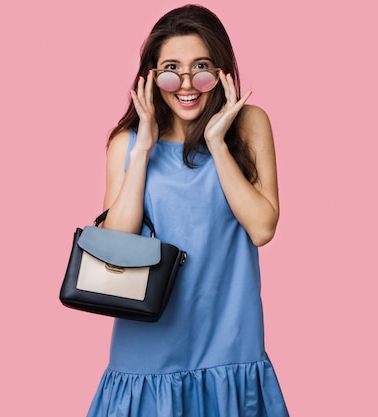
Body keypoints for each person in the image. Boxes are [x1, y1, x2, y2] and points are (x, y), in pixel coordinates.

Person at [86, 5, 289, 416]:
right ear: (149, 76)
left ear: (221, 72)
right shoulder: (127, 144)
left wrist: (217, 143)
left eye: (201, 67)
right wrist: (142, 148)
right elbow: (116, 245)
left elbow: (262, 227)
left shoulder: (248, 125)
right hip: (146, 349)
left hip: (229, 343)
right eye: (170, 69)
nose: (186, 84)